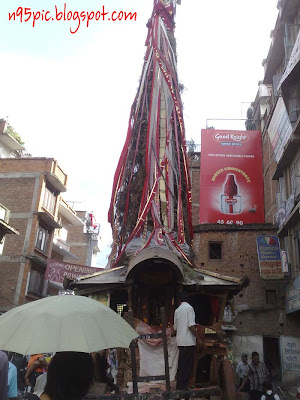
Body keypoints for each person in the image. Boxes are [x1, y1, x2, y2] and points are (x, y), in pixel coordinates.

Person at [173, 291, 201, 391]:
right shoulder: (190, 309)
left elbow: (175, 328)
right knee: (187, 367)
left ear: (179, 300)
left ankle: (179, 388)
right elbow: (191, 326)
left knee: (181, 366)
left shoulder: (177, 311)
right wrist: (199, 338)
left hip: (180, 342)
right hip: (189, 342)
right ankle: (184, 389)